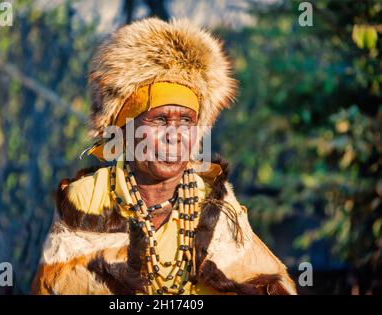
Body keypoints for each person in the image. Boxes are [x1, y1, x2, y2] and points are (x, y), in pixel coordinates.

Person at [31, 18, 297, 295]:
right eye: (159, 120)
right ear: (126, 130)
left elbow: (266, 283)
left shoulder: (213, 202)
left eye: (186, 121)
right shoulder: (86, 199)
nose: (175, 134)